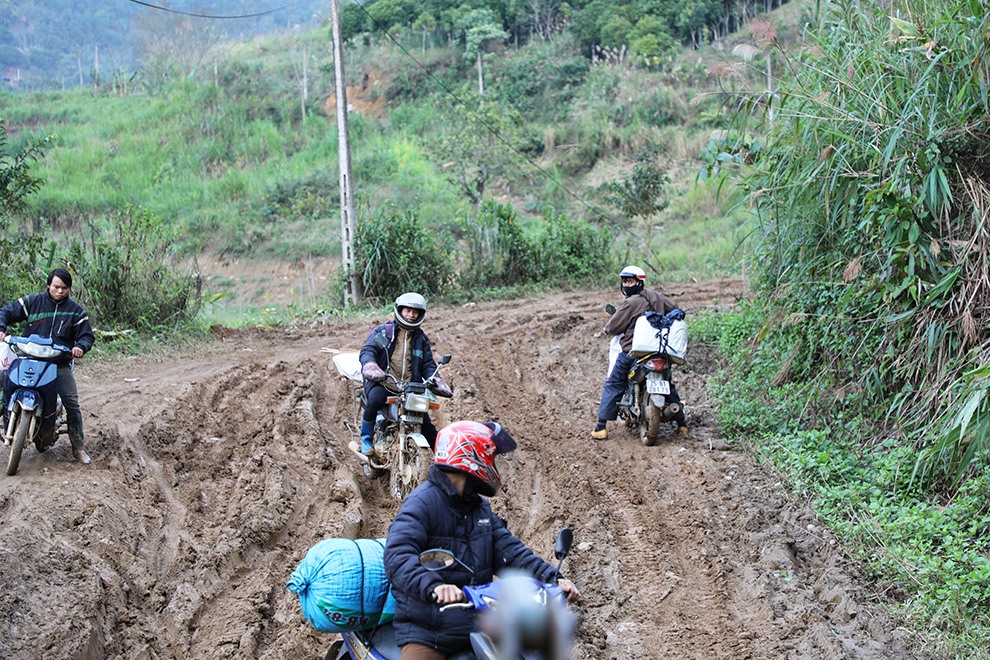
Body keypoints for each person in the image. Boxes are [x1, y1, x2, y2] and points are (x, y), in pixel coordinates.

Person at [384, 420, 581, 659]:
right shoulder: (422, 503)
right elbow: (398, 556)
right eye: (493, 457)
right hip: (428, 631)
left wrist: (553, 578)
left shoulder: (479, 509)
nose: (496, 465)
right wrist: (435, 587)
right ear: (471, 455)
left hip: (479, 623)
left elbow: (511, 553)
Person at [0, 268, 95, 464]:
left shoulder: (76, 312)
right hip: (27, 358)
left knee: (72, 402)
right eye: (56, 287)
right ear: (48, 285)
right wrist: (1, 329)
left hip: (57, 363)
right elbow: (6, 312)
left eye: (64, 288)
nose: (60, 291)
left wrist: (80, 347)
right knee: (5, 385)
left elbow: (87, 336)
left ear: (69, 289)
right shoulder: (33, 302)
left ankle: (78, 448)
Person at [592, 265, 687, 440]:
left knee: (614, 383)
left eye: (630, 281)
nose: (627, 284)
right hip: (659, 350)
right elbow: (675, 309)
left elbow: (614, 327)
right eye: (625, 281)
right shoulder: (657, 296)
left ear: (639, 282)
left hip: (632, 352)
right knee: (668, 383)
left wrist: (607, 329)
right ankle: (682, 424)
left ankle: (600, 427)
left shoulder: (630, 302)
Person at [358, 292, 452, 455]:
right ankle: (366, 439)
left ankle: (447, 460)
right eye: (407, 311)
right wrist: (370, 365)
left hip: (410, 389)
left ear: (420, 314)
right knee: (373, 401)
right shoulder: (384, 332)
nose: (411, 315)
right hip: (385, 383)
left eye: (415, 312)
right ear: (400, 310)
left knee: (426, 425)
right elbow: (368, 350)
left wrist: (436, 378)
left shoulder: (421, 339)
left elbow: (428, 364)